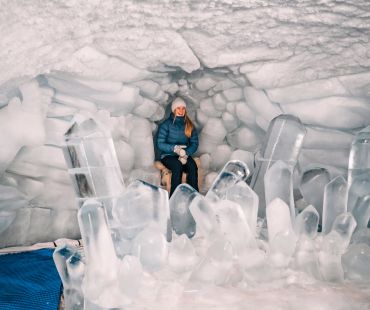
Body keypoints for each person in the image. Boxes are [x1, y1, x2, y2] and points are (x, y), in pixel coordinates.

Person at [157, 97, 199, 196]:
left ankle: (194, 196)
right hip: (168, 156)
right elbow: (160, 143)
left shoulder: (189, 125)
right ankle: (174, 197)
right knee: (177, 166)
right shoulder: (166, 125)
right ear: (174, 110)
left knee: (192, 167)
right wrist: (175, 149)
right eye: (178, 108)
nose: (181, 111)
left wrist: (186, 154)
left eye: (183, 108)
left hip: (184, 155)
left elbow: (194, 143)